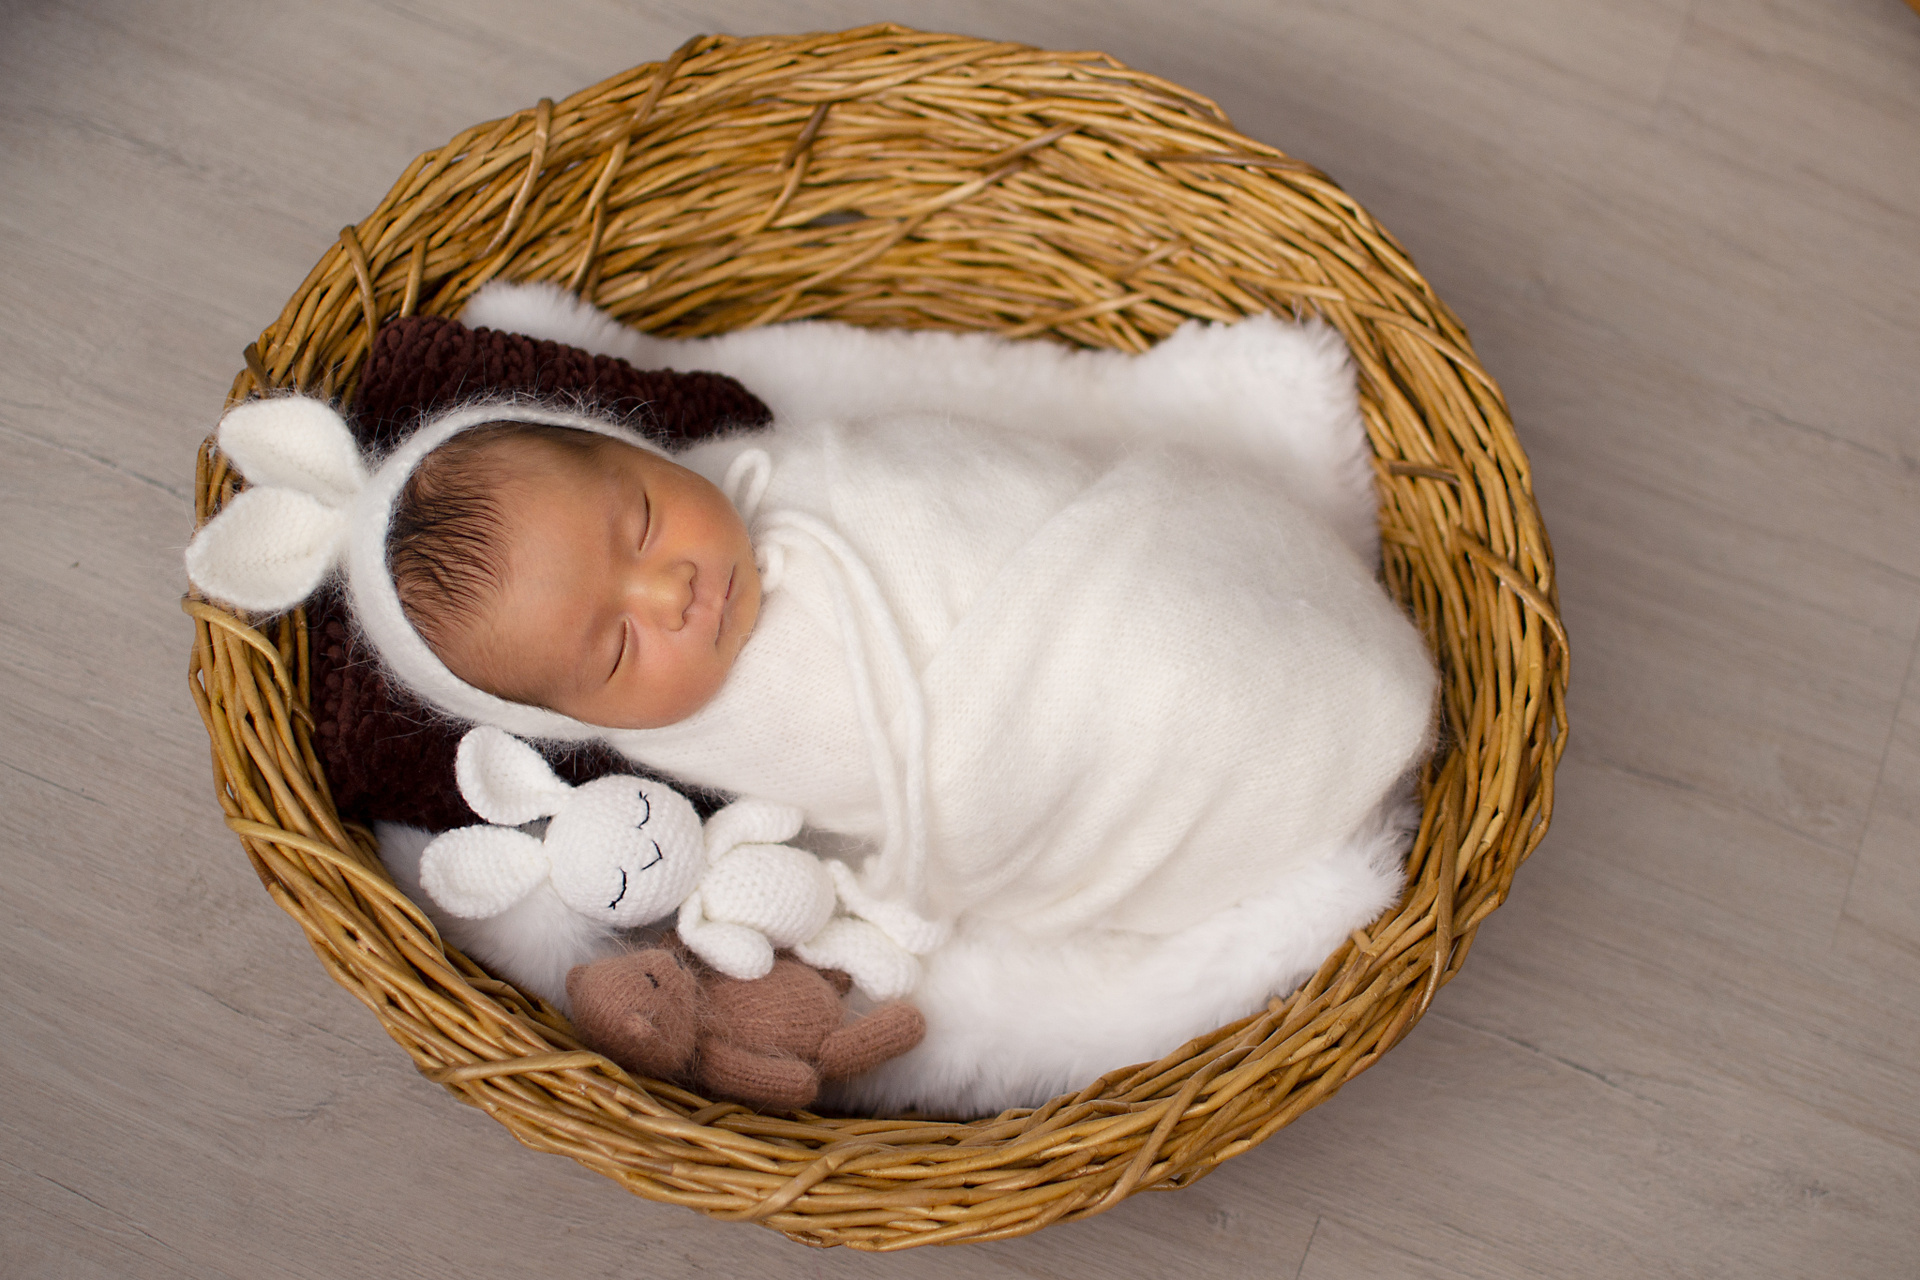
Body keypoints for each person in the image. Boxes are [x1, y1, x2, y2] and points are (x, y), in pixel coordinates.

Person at [184, 291, 1437, 1114]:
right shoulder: (694, 744)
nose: (671, 590)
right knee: (1176, 689)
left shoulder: (775, 468)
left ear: (639, 450)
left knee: (1180, 612)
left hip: (1138, 550)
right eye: (615, 646)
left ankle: (1300, 665)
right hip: (1060, 745)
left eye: (641, 518)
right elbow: (844, 816)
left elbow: (963, 476)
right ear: (575, 724)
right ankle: (1282, 741)